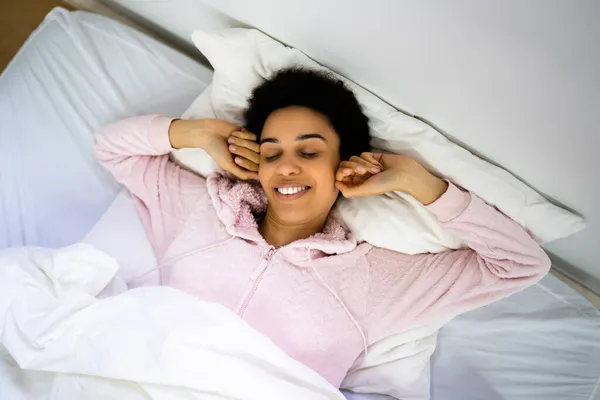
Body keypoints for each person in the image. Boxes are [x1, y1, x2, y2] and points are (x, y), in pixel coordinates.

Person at [93, 68, 550, 387]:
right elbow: (112, 149)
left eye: (309, 153)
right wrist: (196, 133)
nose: (286, 168)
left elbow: (520, 265)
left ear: (342, 165)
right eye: (271, 153)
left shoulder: (379, 280)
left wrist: (419, 182)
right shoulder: (199, 210)